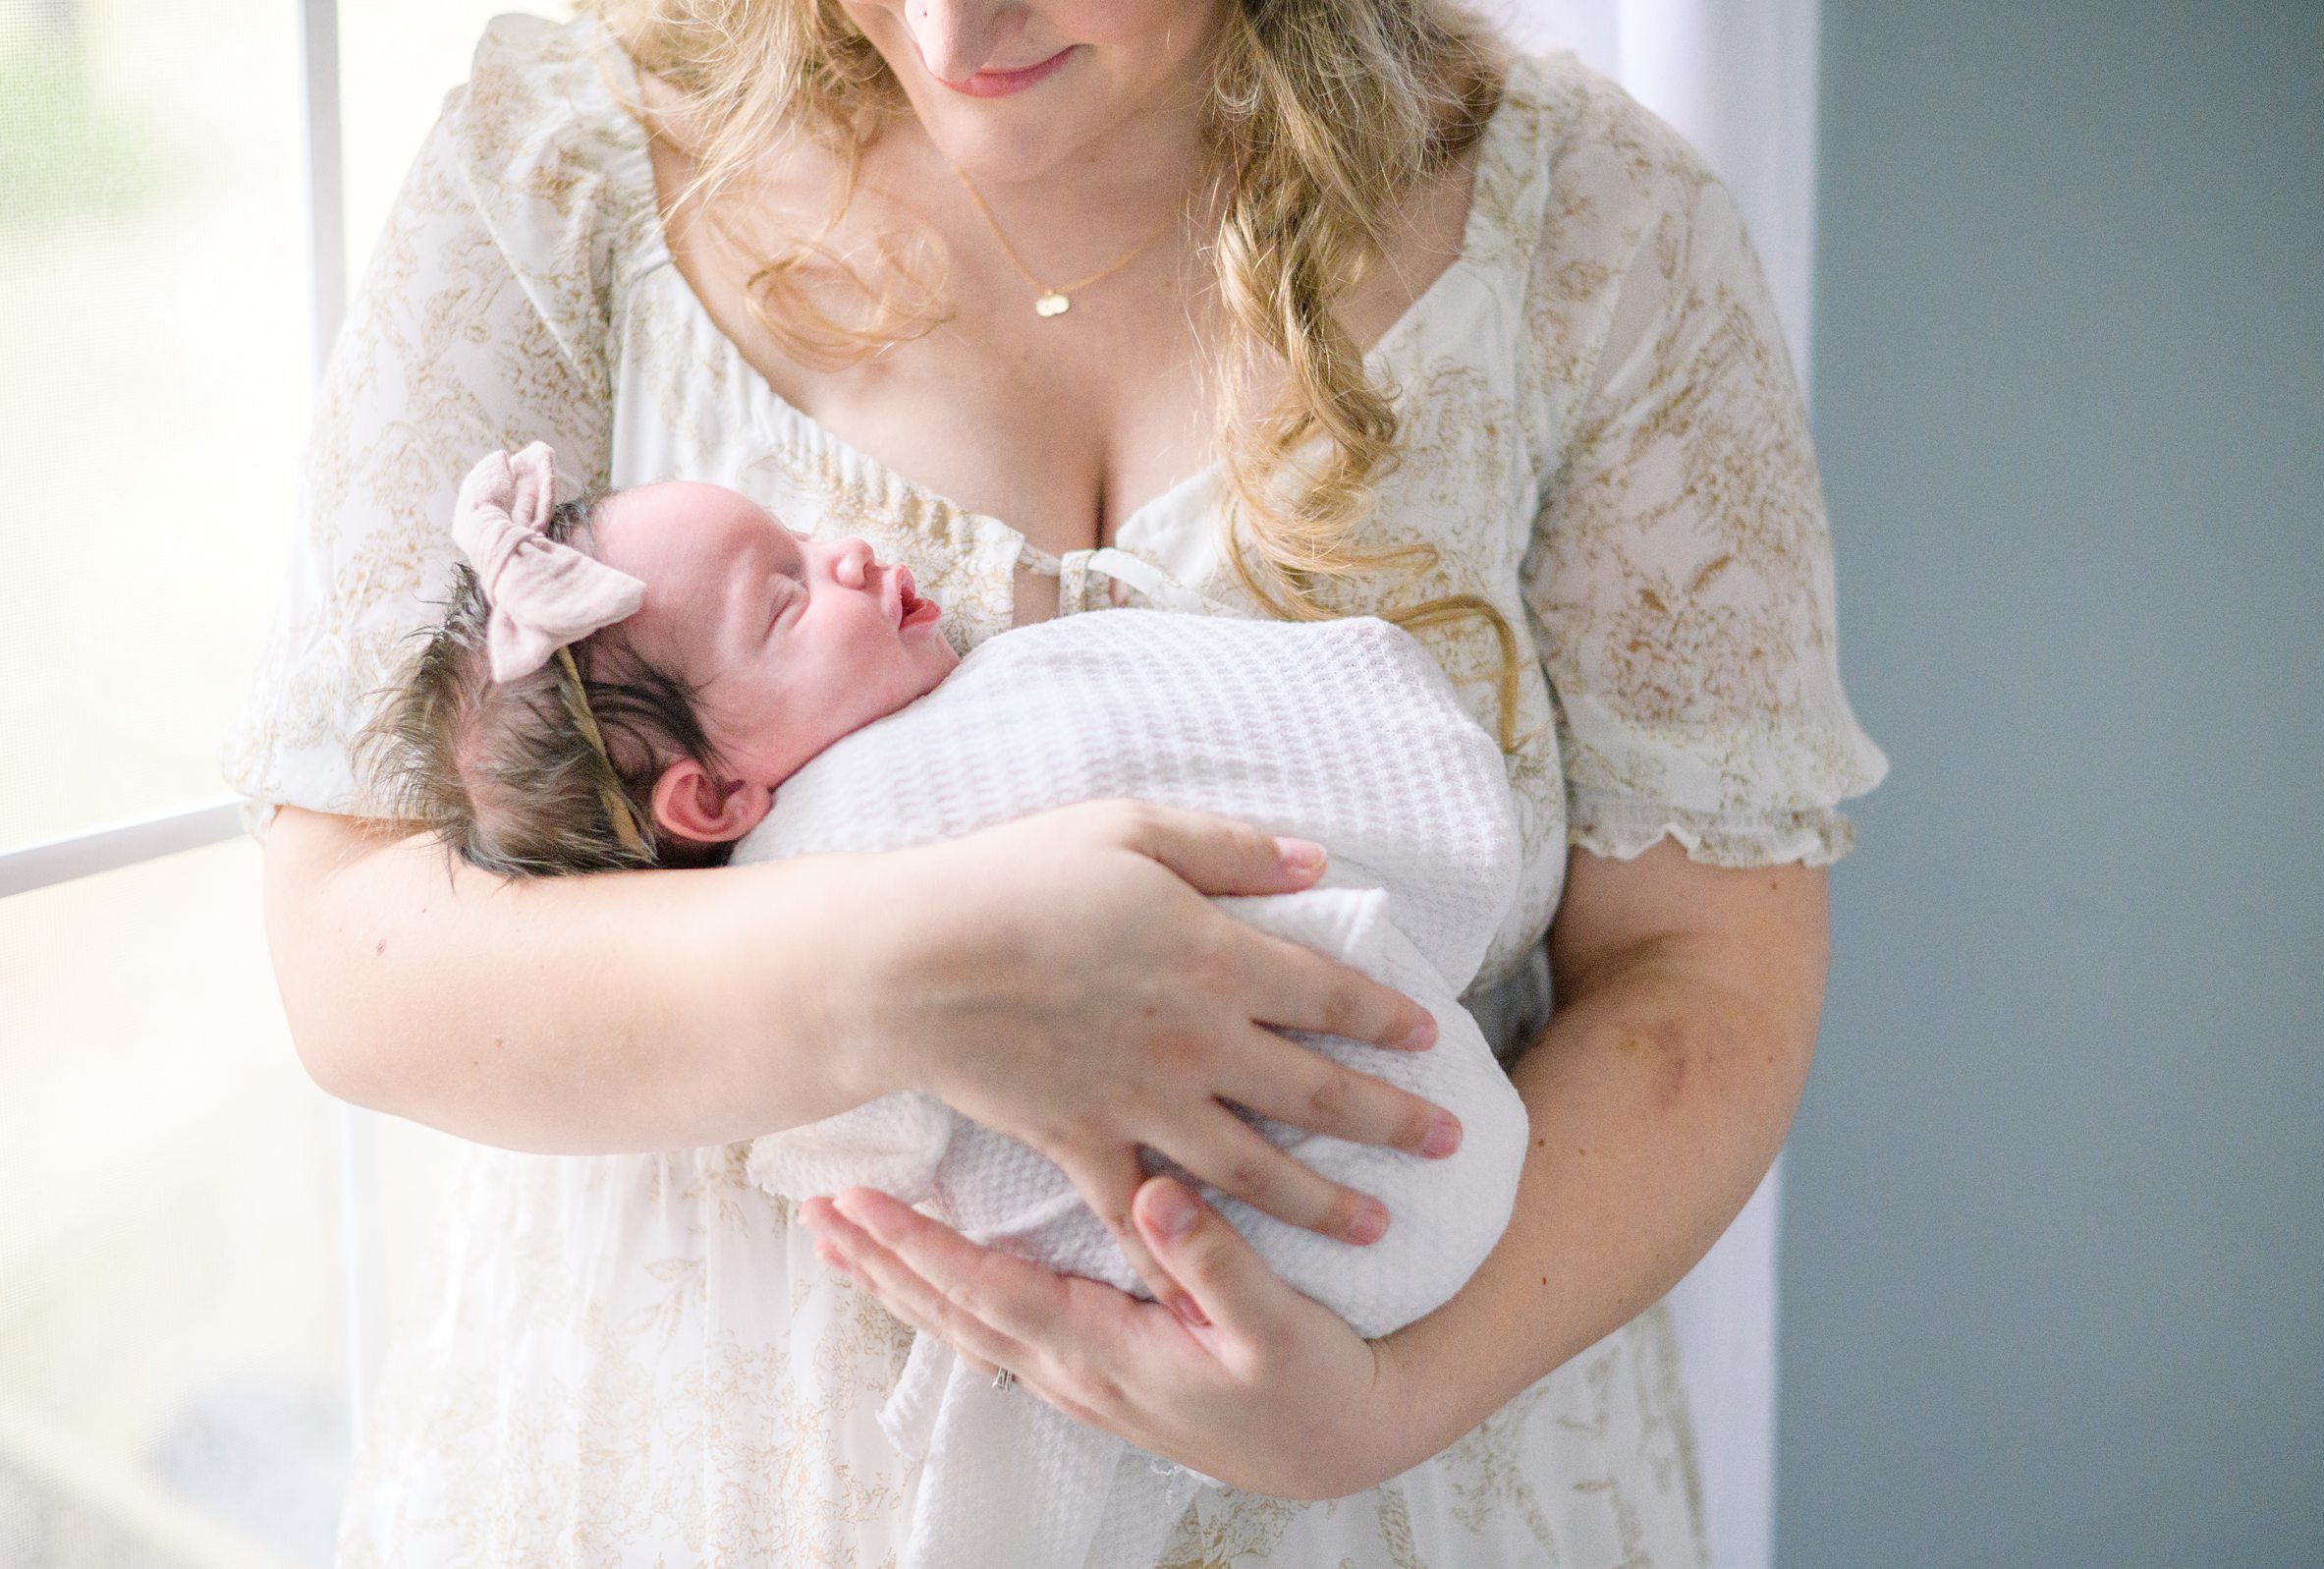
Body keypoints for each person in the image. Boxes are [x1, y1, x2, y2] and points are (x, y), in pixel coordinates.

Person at [225, 1, 1887, 1562]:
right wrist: (928, 968)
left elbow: (1705, 969)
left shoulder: (1597, 229)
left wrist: (1387, 1402)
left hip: (1433, 1484)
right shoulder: (569, 154)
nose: (951, 34)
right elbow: (357, 953)